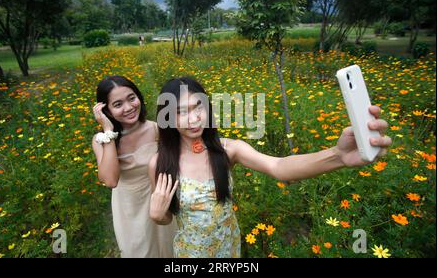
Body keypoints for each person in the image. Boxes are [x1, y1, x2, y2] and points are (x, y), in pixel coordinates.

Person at [148, 77, 392, 258]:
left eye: (198, 107)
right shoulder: (160, 164)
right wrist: (158, 217)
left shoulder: (227, 150)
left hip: (228, 247)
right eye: (181, 112)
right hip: (190, 253)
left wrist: (337, 155)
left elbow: (279, 166)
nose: (193, 119)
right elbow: (166, 216)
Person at [92, 76, 177, 258]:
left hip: (159, 197)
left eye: (132, 98)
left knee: (169, 248)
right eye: (117, 104)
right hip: (129, 207)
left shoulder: (156, 129)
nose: (129, 108)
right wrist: (108, 132)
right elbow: (110, 180)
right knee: (139, 251)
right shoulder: (102, 140)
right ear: (106, 110)